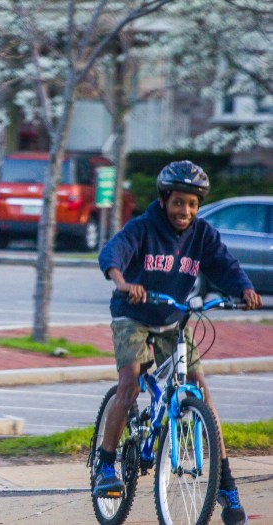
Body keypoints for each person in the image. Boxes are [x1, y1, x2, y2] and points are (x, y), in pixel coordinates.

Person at [94, 161, 262, 525]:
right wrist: (122, 281)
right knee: (129, 382)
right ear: (164, 199)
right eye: (178, 203)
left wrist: (244, 288)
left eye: (192, 204)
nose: (184, 211)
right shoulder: (142, 228)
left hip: (174, 318)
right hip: (133, 314)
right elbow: (113, 253)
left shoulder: (202, 234)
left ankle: (225, 483)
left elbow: (224, 265)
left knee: (200, 390)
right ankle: (107, 464)